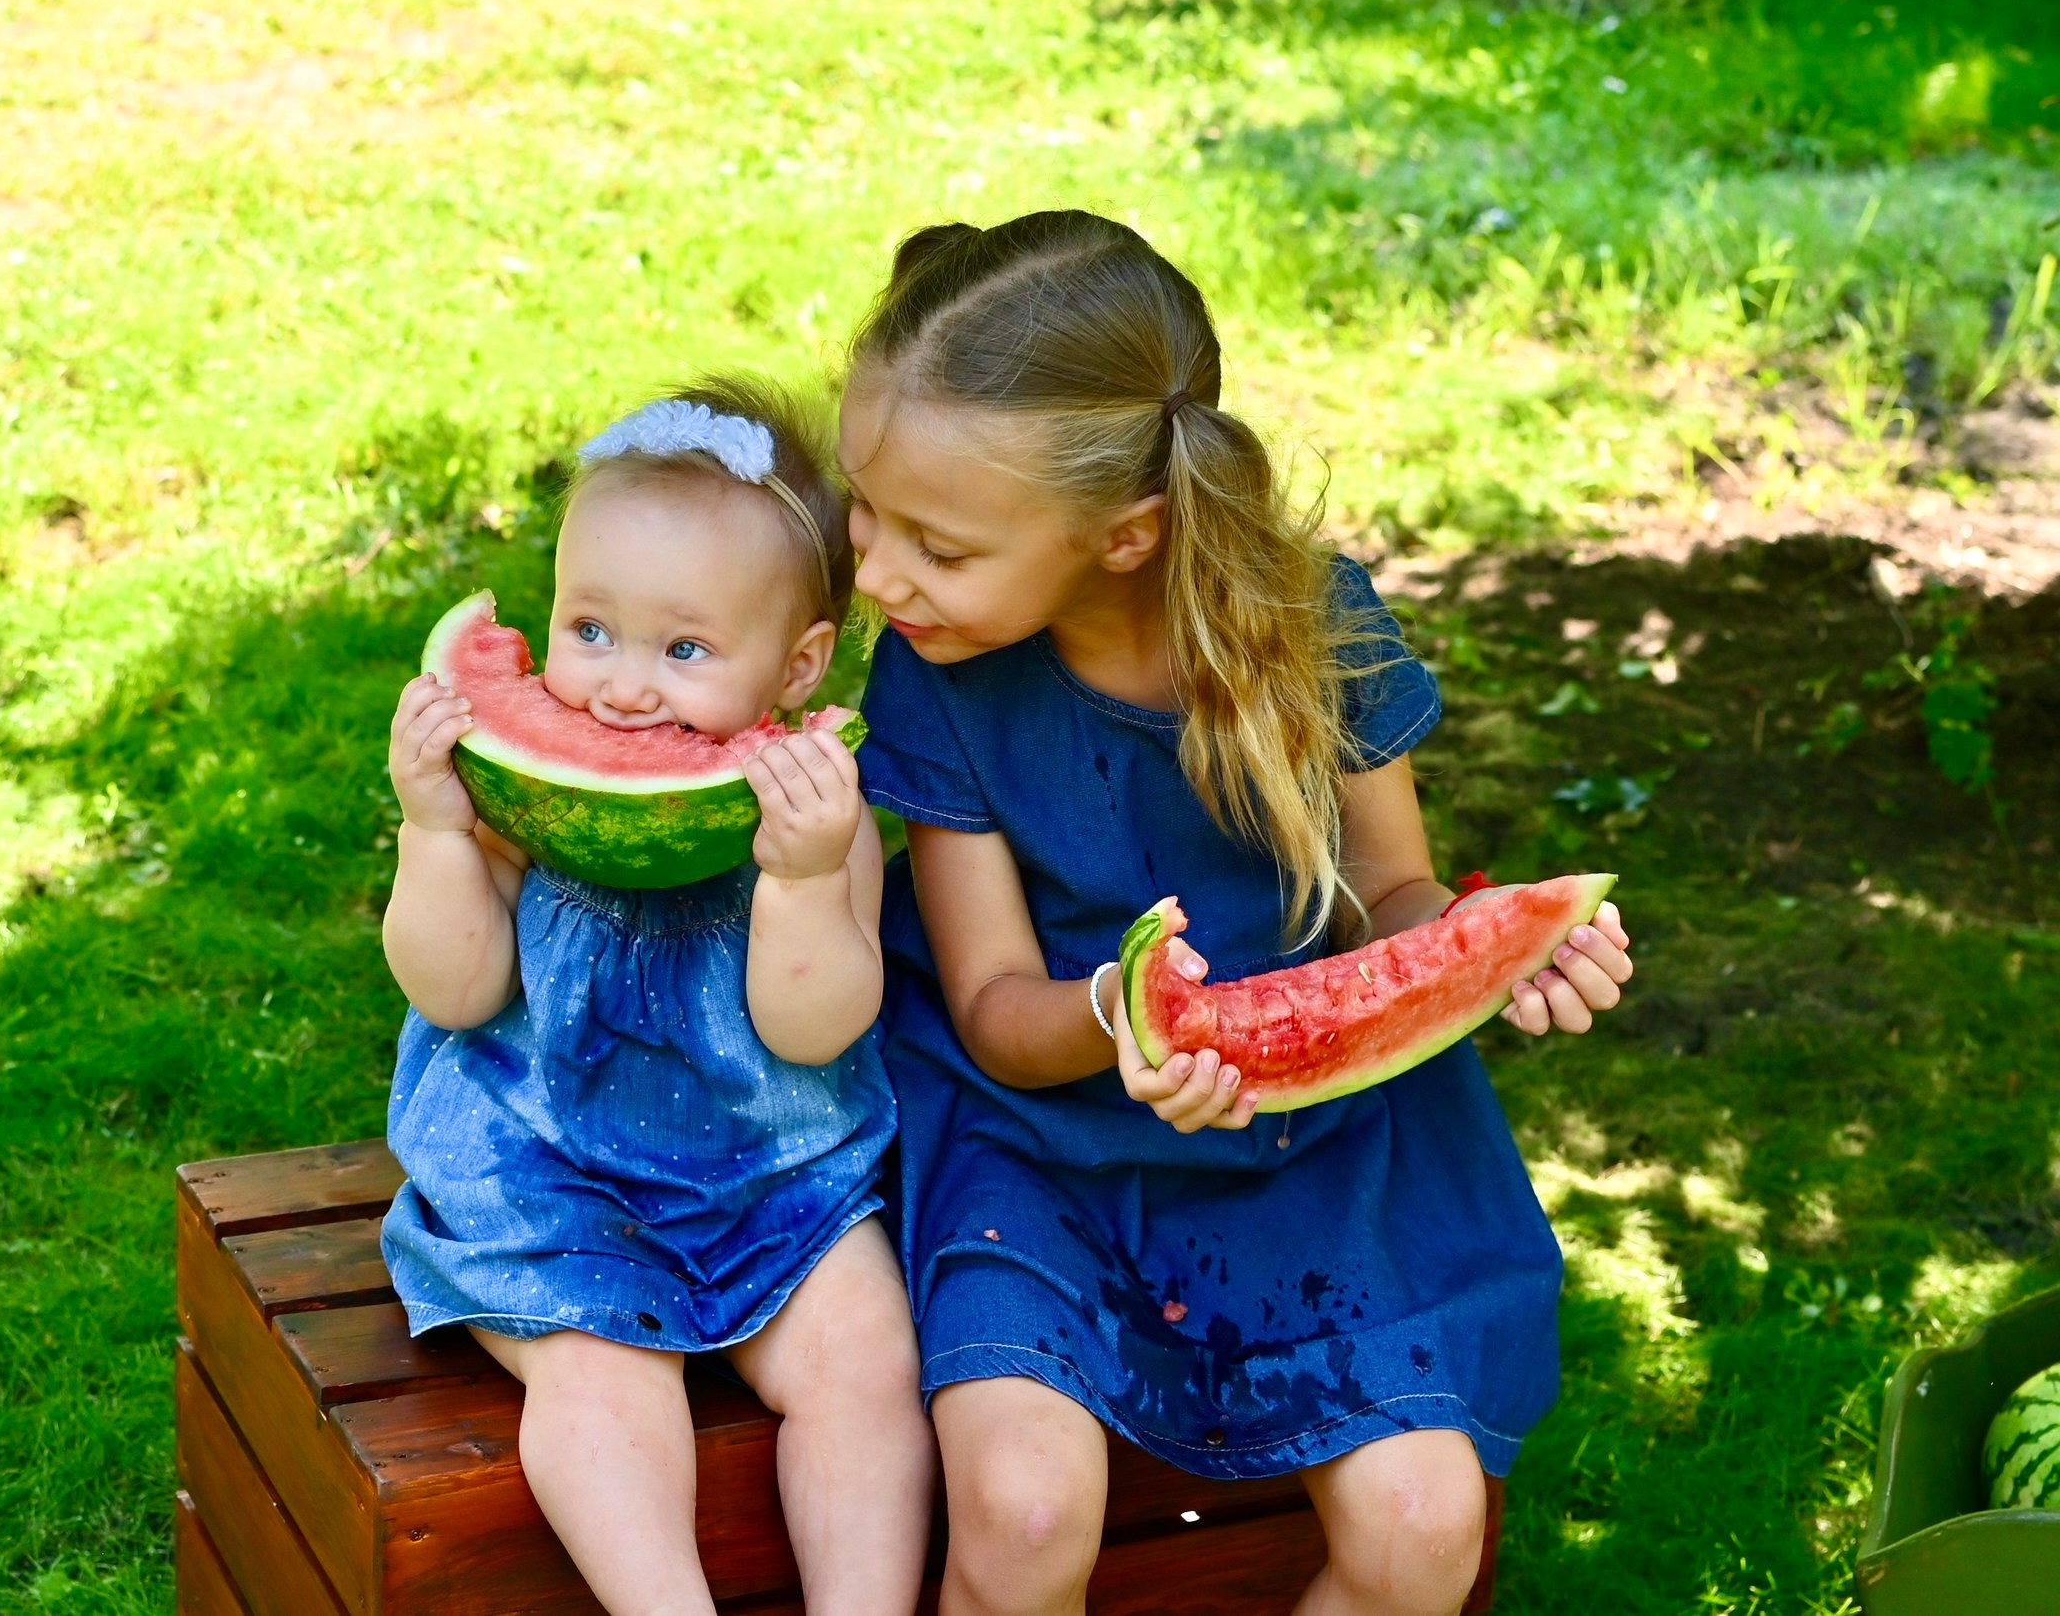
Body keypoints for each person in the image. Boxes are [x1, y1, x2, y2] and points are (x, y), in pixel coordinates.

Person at [841, 212, 1636, 1616]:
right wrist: (1121, 1014)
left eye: (939, 547)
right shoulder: (939, 674)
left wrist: (1499, 944)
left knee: (1421, 1532)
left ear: (1124, 534)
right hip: (1040, 1142)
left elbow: (1394, 899)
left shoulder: (1315, 625)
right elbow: (995, 1013)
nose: (875, 574)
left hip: (1313, 1153)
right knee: (1024, 1515)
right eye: (867, 512)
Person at [377, 377, 933, 1616]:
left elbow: (815, 1028)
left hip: (770, 1176)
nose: (623, 689)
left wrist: (799, 881)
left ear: (796, 666)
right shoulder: (522, 798)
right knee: (599, 1373)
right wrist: (437, 835)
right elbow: (456, 992)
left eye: (684, 650)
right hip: (547, 1170)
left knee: (866, 1358)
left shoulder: (814, 815)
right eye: (590, 630)